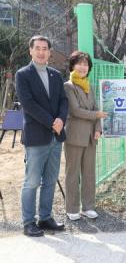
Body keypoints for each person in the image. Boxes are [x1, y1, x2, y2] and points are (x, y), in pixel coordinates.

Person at [16, 35, 68, 237]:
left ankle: (45, 218)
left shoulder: (55, 74)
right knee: (31, 181)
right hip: (37, 137)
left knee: (51, 179)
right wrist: (51, 122)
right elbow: (29, 105)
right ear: (30, 50)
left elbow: (63, 101)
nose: (41, 51)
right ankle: (28, 222)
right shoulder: (23, 74)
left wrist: (61, 120)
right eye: (37, 48)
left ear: (49, 51)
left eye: (44, 48)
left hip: (56, 137)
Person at [64, 51, 107, 221]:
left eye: (86, 64)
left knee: (89, 173)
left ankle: (88, 207)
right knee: (72, 173)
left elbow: (96, 108)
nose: (83, 67)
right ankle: (72, 208)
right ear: (72, 66)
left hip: (91, 137)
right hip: (74, 136)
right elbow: (75, 111)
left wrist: (98, 128)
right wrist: (97, 116)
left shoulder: (89, 86)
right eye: (79, 63)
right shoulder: (68, 86)